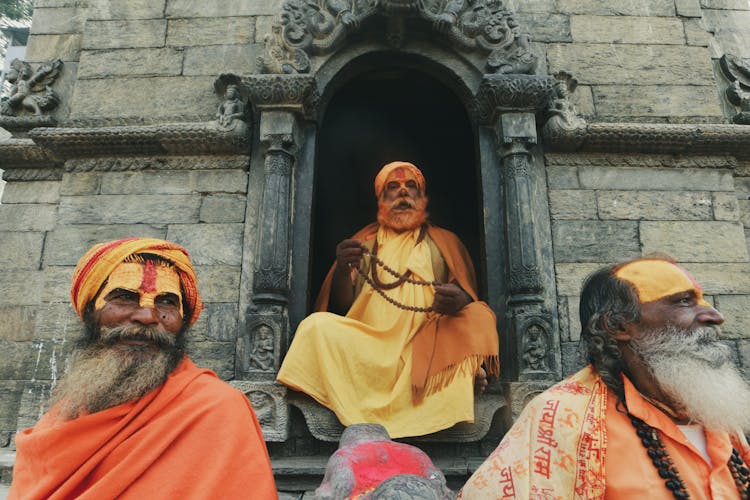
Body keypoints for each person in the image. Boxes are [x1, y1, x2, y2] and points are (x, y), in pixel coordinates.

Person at [458, 257, 750, 499]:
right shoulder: (561, 416)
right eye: (684, 302)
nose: (714, 315)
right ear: (618, 325)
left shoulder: (716, 414)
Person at [9, 237, 277, 499]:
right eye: (125, 297)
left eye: (166, 302)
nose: (146, 316)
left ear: (182, 320)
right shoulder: (64, 414)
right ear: (91, 311)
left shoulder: (217, 409)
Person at [277, 161, 499, 438]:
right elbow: (342, 307)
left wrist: (459, 300)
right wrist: (344, 268)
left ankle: (464, 376)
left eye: (411, 188)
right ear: (381, 200)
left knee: (478, 316)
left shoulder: (445, 242)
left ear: (422, 198)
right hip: (368, 346)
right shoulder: (364, 243)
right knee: (315, 327)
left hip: (425, 347)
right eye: (393, 188)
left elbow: (466, 294)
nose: (403, 194)